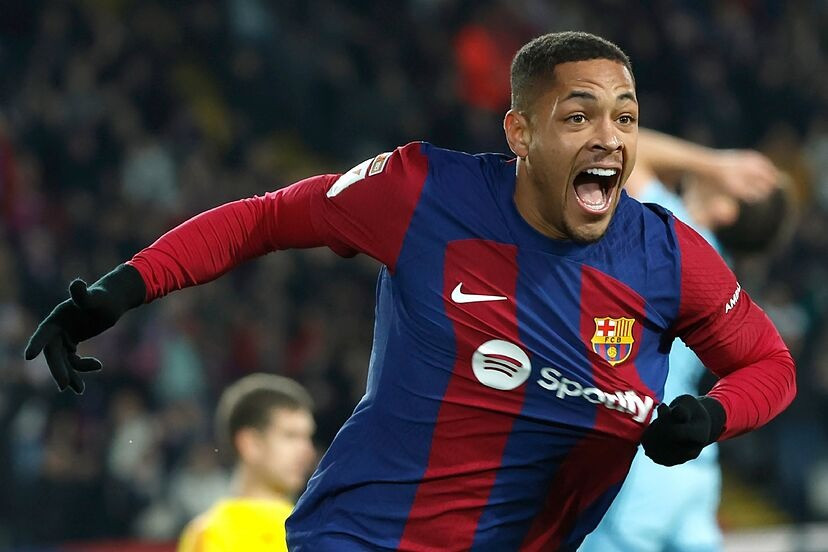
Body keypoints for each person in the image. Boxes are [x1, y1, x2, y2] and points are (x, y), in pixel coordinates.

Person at [25, 31, 795, 550]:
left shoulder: (669, 256)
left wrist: (712, 416)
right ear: (520, 134)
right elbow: (264, 219)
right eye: (578, 116)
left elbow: (769, 364)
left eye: (626, 118)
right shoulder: (423, 192)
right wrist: (121, 289)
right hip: (362, 537)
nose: (610, 138)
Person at [581, 131, 780, 552]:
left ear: (727, 209)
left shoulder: (673, 237)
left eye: (738, 176)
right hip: (694, 464)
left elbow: (621, 147)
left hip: (644, 454)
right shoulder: (718, 267)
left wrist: (713, 160)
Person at [177, 373, 316, 552]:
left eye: (307, 437)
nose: (308, 451)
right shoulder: (212, 535)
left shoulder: (316, 526)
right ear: (250, 443)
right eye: (290, 436)